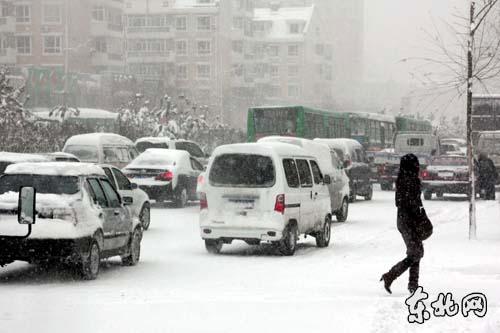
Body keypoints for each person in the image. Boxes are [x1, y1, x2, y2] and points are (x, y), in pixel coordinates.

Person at [380, 154, 424, 294]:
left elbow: (401, 201)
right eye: (416, 164)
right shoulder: (410, 180)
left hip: (404, 220)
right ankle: (391, 276)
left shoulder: (402, 178)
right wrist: (418, 213)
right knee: (416, 253)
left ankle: (413, 285)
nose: (418, 166)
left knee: (416, 252)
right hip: (409, 221)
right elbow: (411, 202)